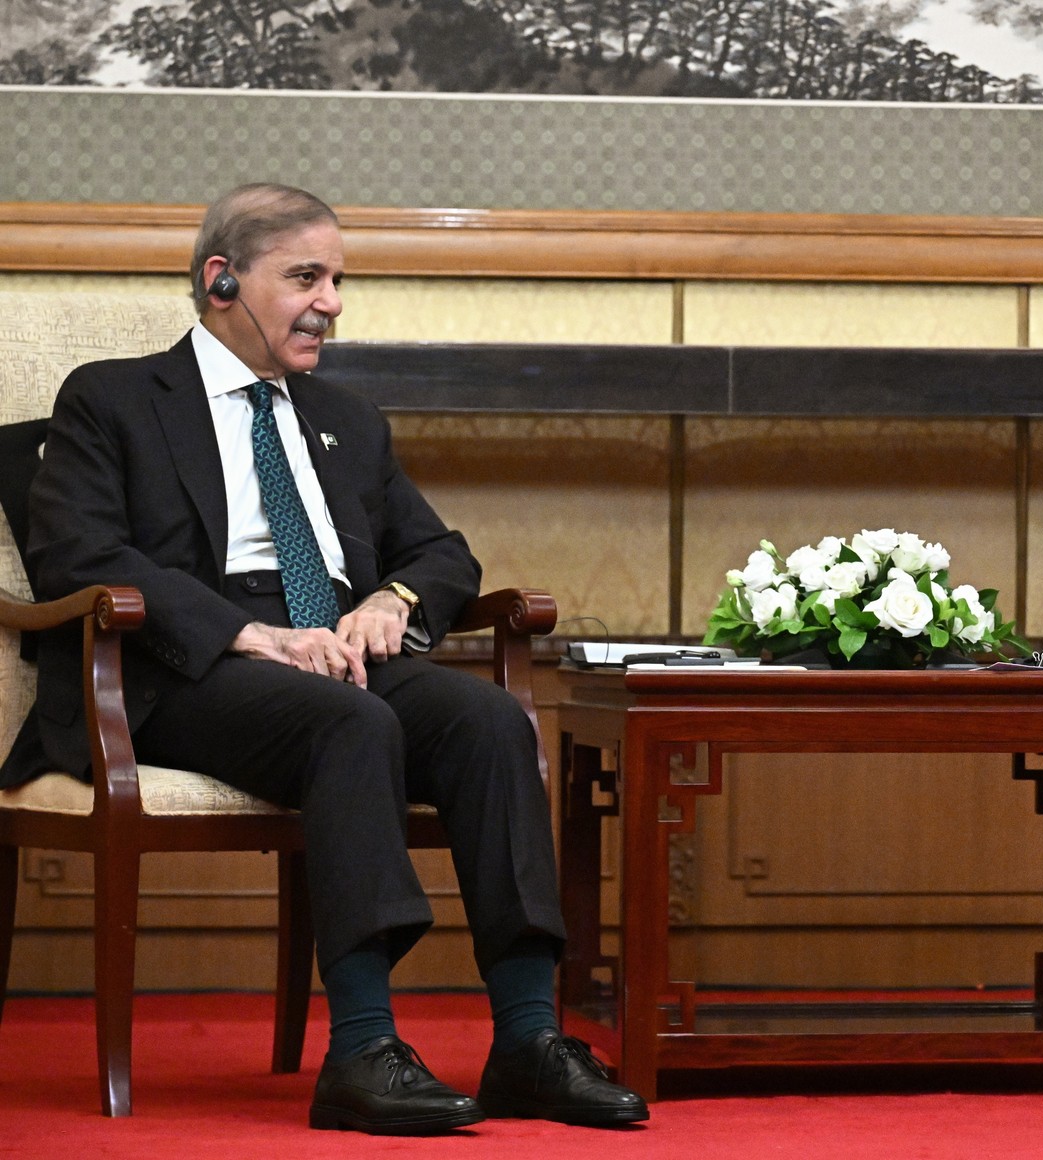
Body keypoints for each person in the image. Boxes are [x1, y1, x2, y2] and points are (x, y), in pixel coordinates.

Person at [0, 183, 647, 1134]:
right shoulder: (114, 398)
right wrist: (247, 633)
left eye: (337, 280)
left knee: (488, 721)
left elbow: (442, 552)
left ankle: (527, 1040)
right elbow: (78, 554)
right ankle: (362, 1050)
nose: (331, 303)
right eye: (306, 277)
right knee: (353, 722)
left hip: (336, 646)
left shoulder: (346, 418)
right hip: (184, 664)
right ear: (222, 280)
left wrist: (394, 600)